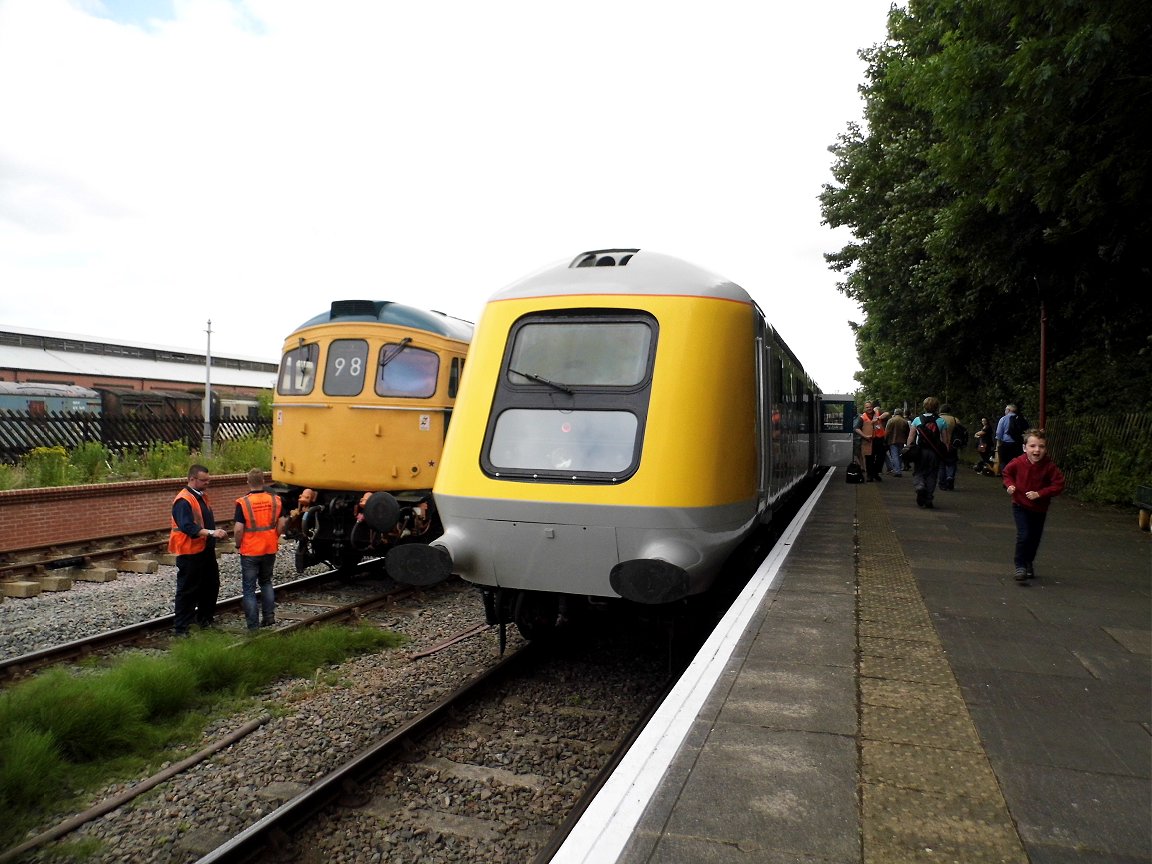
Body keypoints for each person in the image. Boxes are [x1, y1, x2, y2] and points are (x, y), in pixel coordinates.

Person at [169, 464, 226, 636]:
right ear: (192, 479)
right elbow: (187, 526)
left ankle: (205, 620)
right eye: (204, 480)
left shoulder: (201, 497)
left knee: (211, 586)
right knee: (187, 590)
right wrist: (211, 532)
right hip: (190, 552)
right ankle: (181, 629)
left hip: (204, 550)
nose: (207, 483)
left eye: (209, 480)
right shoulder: (183, 500)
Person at [1002, 429, 1065, 582]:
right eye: (1032, 446)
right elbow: (1006, 474)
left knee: (1034, 538)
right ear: (1025, 448)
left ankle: (1028, 562)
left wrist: (1040, 493)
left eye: (1041, 446)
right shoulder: (1018, 462)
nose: (1037, 450)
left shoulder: (1049, 467)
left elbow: (1059, 484)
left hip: (1039, 508)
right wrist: (1009, 485)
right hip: (1020, 505)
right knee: (1024, 535)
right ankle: (1020, 566)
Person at [233, 467, 285, 631]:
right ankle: (269, 617)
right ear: (263, 481)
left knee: (249, 589)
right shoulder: (275, 500)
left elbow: (238, 529)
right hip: (269, 548)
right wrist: (274, 536)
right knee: (266, 582)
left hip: (250, 551)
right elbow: (282, 523)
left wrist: (238, 544)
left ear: (248, 482)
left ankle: (253, 625)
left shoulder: (243, 502)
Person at [904, 396, 949, 509]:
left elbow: (911, 437)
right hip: (934, 452)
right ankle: (929, 498)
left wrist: (908, 448)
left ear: (924, 406)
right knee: (932, 474)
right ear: (936, 407)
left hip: (920, 451)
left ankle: (920, 486)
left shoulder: (917, 420)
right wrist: (945, 452)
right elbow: (945, 440)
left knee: (919, 471)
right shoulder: (941, 421)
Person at [995, 404, 1029, 472]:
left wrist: (998, 444)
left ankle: (1007, 478)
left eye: (1005, 409)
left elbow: (999, 433)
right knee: (1017, 461)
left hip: (1006, 444)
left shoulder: (1003, 419)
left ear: (1008, 410)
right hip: (1018, 444)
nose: (1005, 411)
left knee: (1004, 462)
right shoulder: (1022, 419)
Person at [937, 404, 961, 491]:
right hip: (953, 444)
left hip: (940, 444)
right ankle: (950, 477)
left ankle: (942, 483)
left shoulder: (938, 419)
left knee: (942, 465)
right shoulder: (955, 420)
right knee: (952, 463)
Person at [884, 408, 909, 477]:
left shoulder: (891, 420)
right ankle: (899, 469)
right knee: (900, 455)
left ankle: (897, 471)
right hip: (902, 440)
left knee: (894, 455)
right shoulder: (904, 421)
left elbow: (887, 431)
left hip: (892, 440)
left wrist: (884, 439)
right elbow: (907, 432)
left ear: (895, 413)